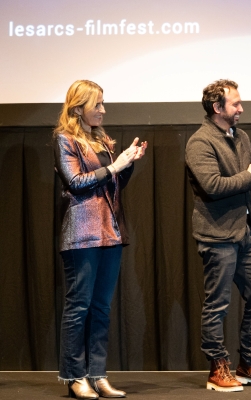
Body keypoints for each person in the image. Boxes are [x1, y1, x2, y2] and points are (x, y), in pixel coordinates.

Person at [185, 79, 251, 392]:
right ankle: (218, 367)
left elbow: (249, 183)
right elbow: (213, 187)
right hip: (217, 235)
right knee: (218, 305)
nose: (241, 108)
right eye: (236, 104)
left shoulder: (241, 137)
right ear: (217, 108)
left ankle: (248, 364)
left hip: (245, 233)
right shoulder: (199, 143)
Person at [54, 80, 147, 399]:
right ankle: (74, 376)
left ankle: (97, 374)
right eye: (98, 105)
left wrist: (127, 163)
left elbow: (115, 184)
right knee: (78, 306)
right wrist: (116, 166)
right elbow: (75, 182)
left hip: (111, 231)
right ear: (78, 108)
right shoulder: (65, 139)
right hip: (82, 233)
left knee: (101, 308)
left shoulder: (102, 140)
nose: (104, 110)